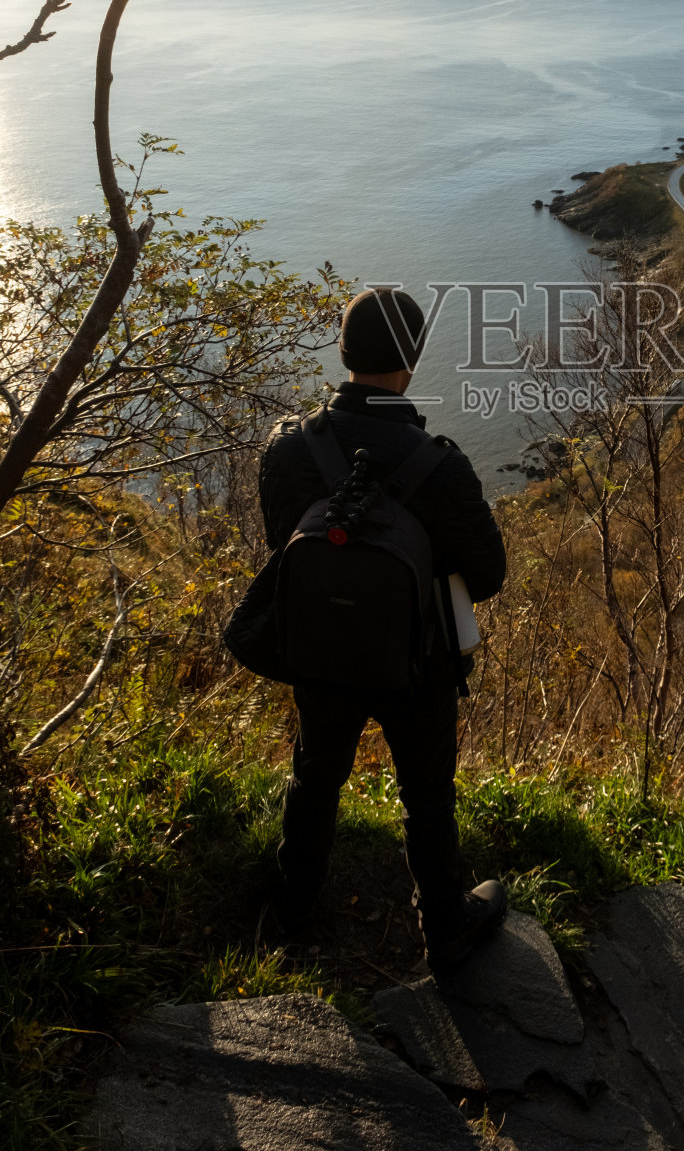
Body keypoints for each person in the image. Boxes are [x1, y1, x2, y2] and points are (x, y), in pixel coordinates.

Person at [257, 285, 508, 974]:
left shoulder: (287, 449)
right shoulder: (441, 465)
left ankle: (293, 908)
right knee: (426, 792)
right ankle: (445, 923)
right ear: (413, 358)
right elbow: (487, 575)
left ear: (343, 351)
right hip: (414, 661)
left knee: (316, 775)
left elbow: (284, 545)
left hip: (318, 650)